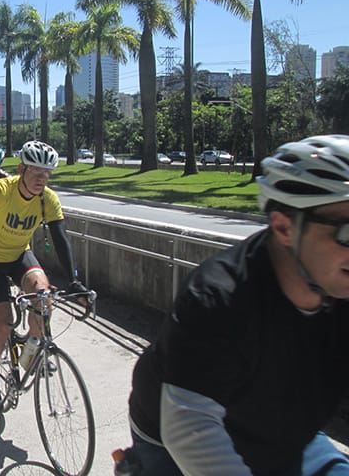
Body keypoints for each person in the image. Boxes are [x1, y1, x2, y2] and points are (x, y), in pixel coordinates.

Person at [122, 134, 349, 475]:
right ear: (284, 227)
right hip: (176, 434)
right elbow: (190, 427)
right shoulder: (217, 298)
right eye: (346, 233)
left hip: (280, 421)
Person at [0, 140, 88, 412]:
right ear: (21, 170)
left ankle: (29, 351)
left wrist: (74, 281)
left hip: (19, 254)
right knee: (3, 323)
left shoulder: (47, 199)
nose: (41, 178)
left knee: (44, 299)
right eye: (35, 171)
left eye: (47, 173)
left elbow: (61, 238)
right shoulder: (3, 190)